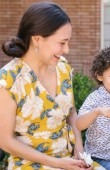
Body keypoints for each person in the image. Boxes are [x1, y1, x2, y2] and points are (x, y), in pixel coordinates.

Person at [0, 2, 102, 169]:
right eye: (62, 43)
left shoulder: (63, 67)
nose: (67, 49)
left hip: (68, 158)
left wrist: (78, 148)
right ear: (37, 39)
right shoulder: (8, 80)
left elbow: (71, 112)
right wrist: (56, 163)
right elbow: (5, 141)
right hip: (29, 164)